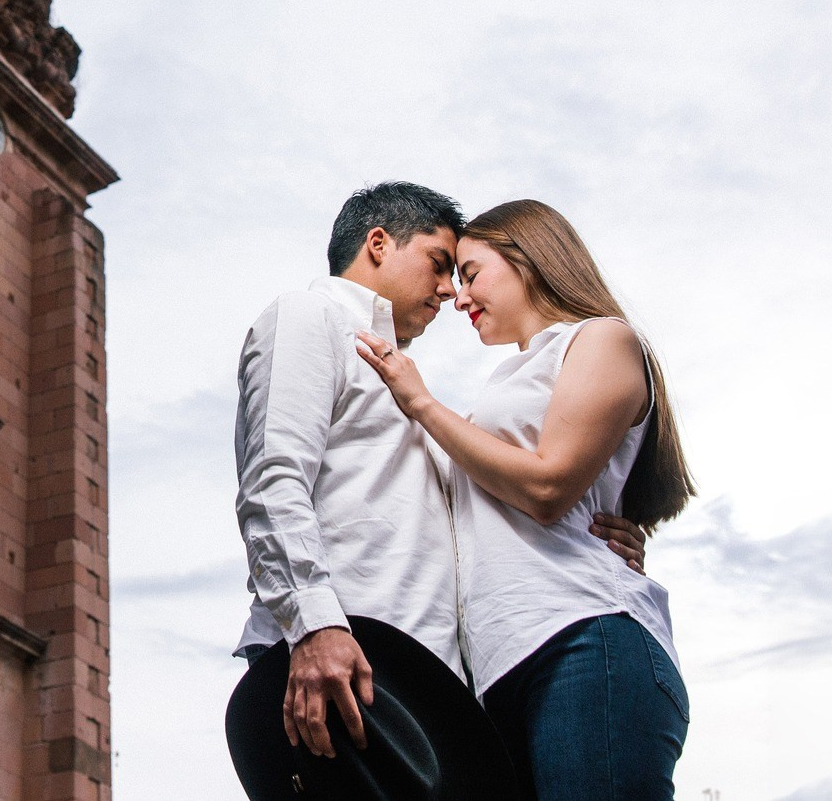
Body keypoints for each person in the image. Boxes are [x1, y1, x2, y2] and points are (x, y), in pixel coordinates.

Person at [228, 183, 647, 800]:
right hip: (341, 667)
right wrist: (314, 626)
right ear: (377, 244)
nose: (452, 290)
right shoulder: (309, 316)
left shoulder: (403, 379)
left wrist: (597, 536)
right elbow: (272, 481)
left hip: (429, 692)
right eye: (440, 263)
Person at [355, 199, 694, 800]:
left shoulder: (601, 339)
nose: (458, 297)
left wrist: (422, 403)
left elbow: (546, 487)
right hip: (498, 672)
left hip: (584, 644)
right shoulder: (509, 380)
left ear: (528, 259)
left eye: (470, 273)